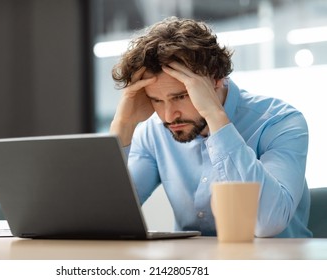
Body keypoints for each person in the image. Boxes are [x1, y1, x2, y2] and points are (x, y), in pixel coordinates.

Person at [109, 17, 312, 238]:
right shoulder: (154, 132)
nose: (169, 116)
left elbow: (266, 223)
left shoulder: (279, 122)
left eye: (181, 96)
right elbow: (103, 216)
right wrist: (123, 126)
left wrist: (215, 116)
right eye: (156, 100)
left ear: (216, 79)